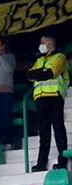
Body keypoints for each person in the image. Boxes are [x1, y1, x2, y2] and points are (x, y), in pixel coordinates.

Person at [29, 34, 69, 171]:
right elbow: (29, 75)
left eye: (43, 42)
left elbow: (52, 73)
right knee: (44, 131)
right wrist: (42, 72)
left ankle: (63, 160)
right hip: (40, 98)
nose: (41, 45)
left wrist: (39, 73)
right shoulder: (39, 60)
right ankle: (41, 163)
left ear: (51, 42)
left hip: (54, 96)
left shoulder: (60, 57)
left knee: (58, 128)